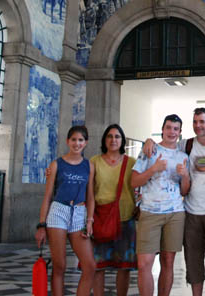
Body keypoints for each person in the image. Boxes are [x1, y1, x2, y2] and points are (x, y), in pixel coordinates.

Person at [141, 108, 205, 296]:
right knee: (193, 263)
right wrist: (149, 141)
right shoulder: (185, 145)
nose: (198, 125)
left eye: (202, 122)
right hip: (191, 212)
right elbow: (166, 145)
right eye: (195, 122)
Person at [131, 115, 191, 296]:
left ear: (180, 132)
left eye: (175, 129)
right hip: (150, 212)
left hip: (175, 213)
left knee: (168, 262)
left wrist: (185, 176)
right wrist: (153, 169)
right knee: (144, 264)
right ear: (162, 129)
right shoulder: (149, 151)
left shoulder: (183, 156)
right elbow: (134, 181)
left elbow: (184, 191)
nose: (172, 132)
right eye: (169, 127)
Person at [35, 125, 96, 296]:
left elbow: (90, 196)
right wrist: (41, 225)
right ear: (68, 141)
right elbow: (48, 196)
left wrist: (89, 220)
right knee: (59, 265)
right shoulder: (56, 164)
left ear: (86, 143)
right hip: (58, 211)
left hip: (79, 213)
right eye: (74, 140)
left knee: (89, 265)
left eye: (81, 140)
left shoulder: (89, 166)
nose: (77, 143)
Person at [89, 124, 137, 296]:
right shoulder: (94, 161)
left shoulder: (131, 163)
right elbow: (88, 190)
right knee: (98, 265)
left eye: (117, 136)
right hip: (101, 218)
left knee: (124, 266)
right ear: (104, 140)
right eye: (110, 136)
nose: (113, 140)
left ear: (122, 140)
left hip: (125, 218)